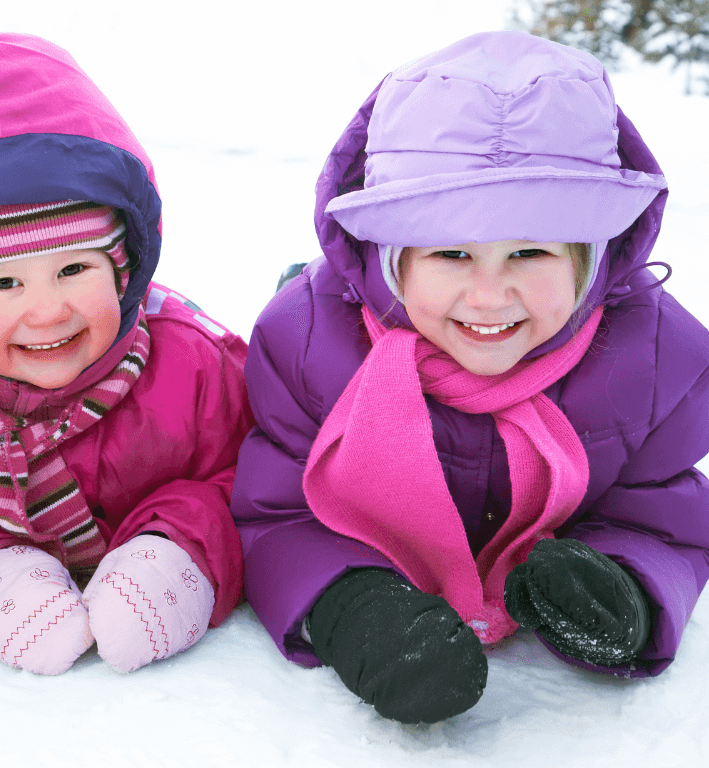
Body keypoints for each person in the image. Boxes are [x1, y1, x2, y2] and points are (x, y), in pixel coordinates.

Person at [233, 30, 709, 724]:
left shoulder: (656, 357)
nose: (489, 296)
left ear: (592, 255)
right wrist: (352, 607)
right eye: (452, 253)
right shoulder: (306, 346)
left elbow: (660, 513)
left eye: (530, 252)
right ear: (391, 255)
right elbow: (277, 511)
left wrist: (624, 593)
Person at [0, 33, 252, 674]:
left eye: (73, 269)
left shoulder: (193, 365)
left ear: (124, 269)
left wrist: (179, 544)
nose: (47, 312)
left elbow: (252, 480)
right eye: (4, 283)